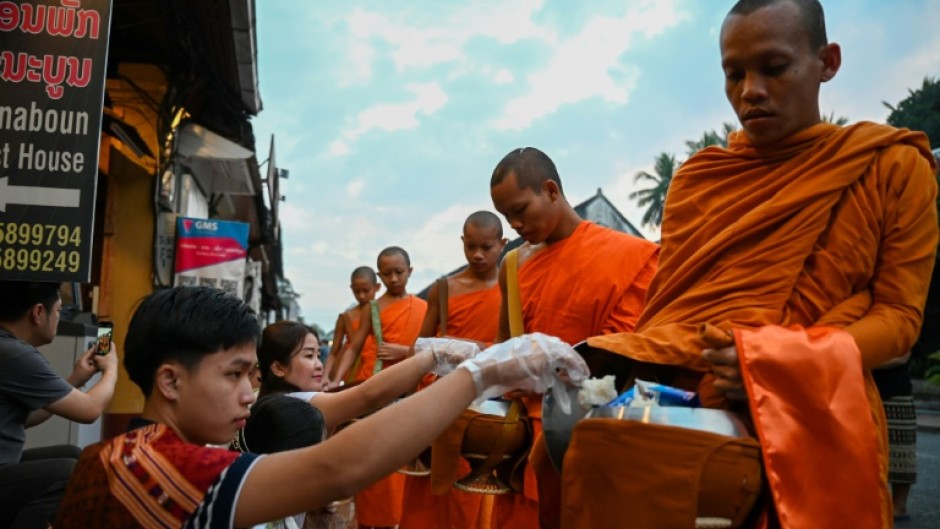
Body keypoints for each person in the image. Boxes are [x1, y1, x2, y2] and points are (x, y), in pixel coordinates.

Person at [558, 1, 938, 528]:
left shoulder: (891, 164)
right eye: (733, 75)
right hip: (679, 423)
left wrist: (774, 361)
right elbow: (669, 318)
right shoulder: (699, 179)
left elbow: (899, 318)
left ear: (827, 62)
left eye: (774, 68)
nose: (750, 92)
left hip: (814, 420)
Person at [53, 286, 588, 529]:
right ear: (170, 381)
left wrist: (437, 357)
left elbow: (365, 401)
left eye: (252, 375)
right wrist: (482, 374)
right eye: (235, 375)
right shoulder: (163, 465)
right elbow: (339, 468)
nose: (248, 392)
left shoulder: (126, 452)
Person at [488, 148, 660, 529]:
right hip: (522, 451)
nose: (514, 225)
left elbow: (632, 358)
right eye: (506, 217)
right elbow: (503, 349)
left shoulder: (632, 256)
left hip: (595, 441)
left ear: (550, 190)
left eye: (520, 210)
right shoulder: (515, 267)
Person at [398, 211, 507, 529]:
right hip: (437, 397)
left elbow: (514, 344)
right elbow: (419, 347)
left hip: (481, 402)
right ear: (462, 242)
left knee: (468, 490)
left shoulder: (515, 288)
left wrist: (472, 349)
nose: (477, 254)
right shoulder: (445, 288)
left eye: (486, 247)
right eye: (470, 246)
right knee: (427, 490)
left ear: (502, 244)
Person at [0, 281, 118, 529]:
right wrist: (111, 369)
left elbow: (25, 417)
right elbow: (89, 410)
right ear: (38, 312)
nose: (59, 318)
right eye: (59, 310)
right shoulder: (15, 354)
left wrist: (75, 379)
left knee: (76, 456)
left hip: (6, 465)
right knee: (69, 471)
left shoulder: (8, 348)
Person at [328, 247, 428, 529]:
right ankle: (372, 519)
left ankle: (403, 518)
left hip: (413, 388)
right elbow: (353, 347)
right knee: (376, 458)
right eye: (387, 273)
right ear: (379, 276)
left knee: (407, 459)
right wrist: (336, 379)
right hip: (380, 389)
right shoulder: (374, 308)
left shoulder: (423, 307)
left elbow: (432, 346)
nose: (394, 278)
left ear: (410, 270)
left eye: (399, 272)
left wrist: (404, 351)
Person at [323, 267, 380, 387]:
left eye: (366, 291)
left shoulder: (385, 312)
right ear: (351, 288)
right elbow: (334, 352)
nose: (361, 296)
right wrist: (325, 376)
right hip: (351, 369)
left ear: (377, 287)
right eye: (357, 291)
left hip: (377, 366)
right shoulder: (346, 317)